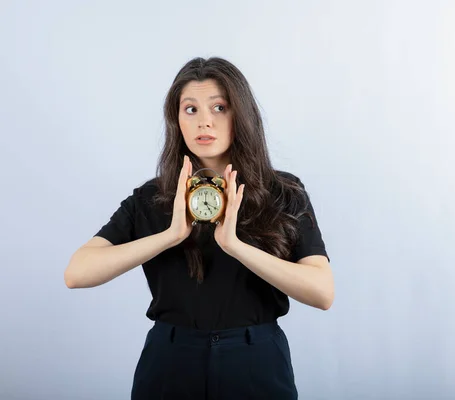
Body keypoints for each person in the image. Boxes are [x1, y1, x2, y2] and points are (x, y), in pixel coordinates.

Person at [64, 57, 334, 399]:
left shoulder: (282, 192)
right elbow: (76, 273)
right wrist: (169, 236)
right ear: (176, 120)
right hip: (171, 360)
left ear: (241, 115)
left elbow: (322, 292)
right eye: (190, 109)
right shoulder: (153, 197)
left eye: (219, 107)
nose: (204, 121)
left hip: (256, 360)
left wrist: (235, 246)